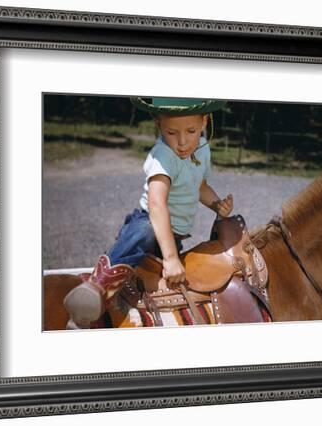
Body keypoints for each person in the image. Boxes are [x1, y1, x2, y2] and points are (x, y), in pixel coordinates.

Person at [64, 97, 234, 329]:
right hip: (150, 221)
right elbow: (156, 204)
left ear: (204, 122)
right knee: (144, 232)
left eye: (191, 131)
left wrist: (216, 204)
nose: (182, 141)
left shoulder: (202, 151)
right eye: (172, 132)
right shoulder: (163, 155)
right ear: (158, 124)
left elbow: (200, 186)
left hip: (173, 236)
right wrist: (171, 258)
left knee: (172, 279)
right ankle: (96, 287)